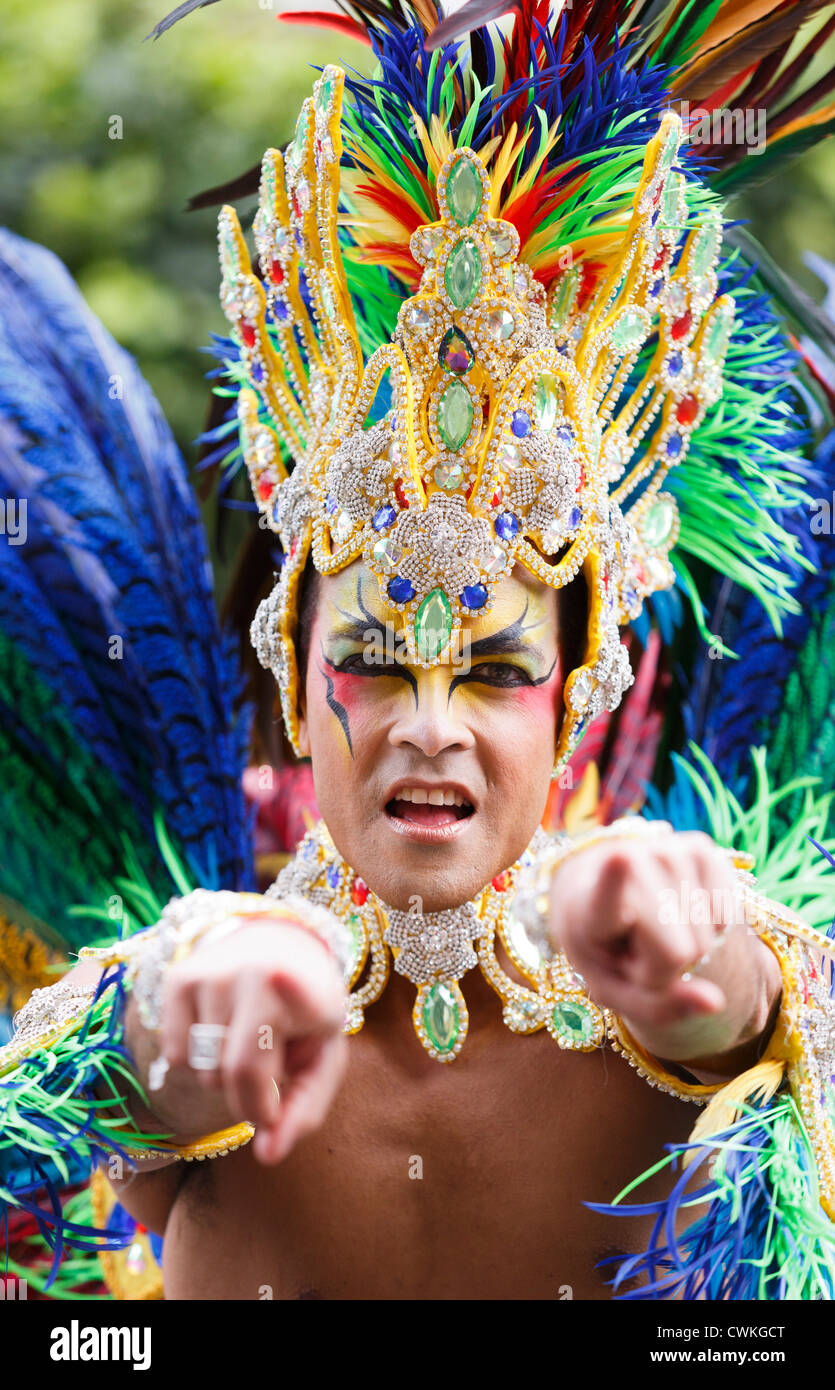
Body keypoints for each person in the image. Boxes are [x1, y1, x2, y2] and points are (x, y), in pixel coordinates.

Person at [2, 0, 835, 1303]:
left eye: (496, 671)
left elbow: (761, 1024)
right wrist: (172, 1015)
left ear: (576, 693)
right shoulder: (197, 980)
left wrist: (707, 976)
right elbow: (113, 1086)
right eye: (378, 660)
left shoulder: (686, 953)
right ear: (293, 659)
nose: (431, 720)